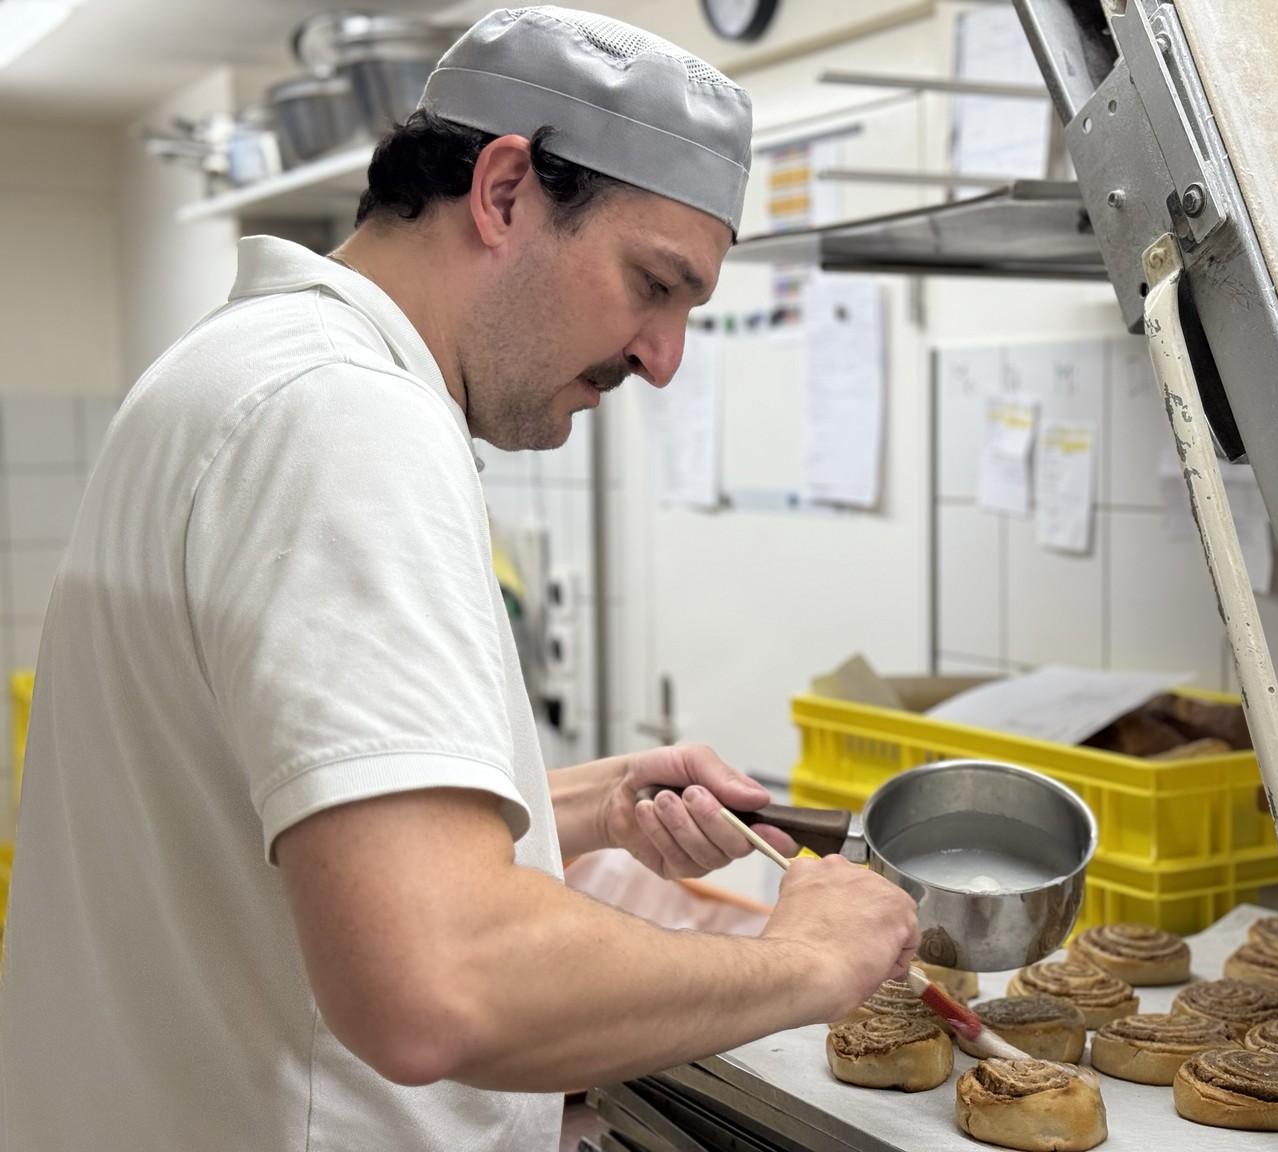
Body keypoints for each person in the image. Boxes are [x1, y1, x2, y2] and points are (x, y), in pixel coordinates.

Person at [0, 8, 920, 1149]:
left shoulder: (232, 371)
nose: (663, 358)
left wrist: (576, 808)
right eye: (652, 283)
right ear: (503, 192)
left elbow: (255, 817)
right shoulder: (345, 423)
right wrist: (806, 960)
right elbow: (438, 983)